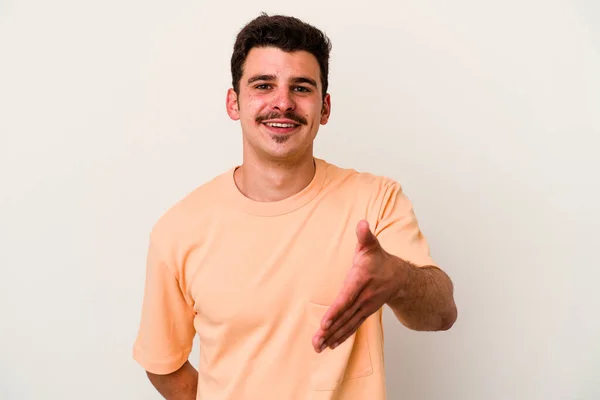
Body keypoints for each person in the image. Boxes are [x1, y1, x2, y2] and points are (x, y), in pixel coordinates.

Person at [132, 13, 457, 400]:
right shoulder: (178, 229)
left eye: (301, 88)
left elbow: (441, 314)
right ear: (234, 102)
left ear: (325, 108)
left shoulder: (376, 201)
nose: (282, 103)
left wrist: (398, 277)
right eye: (263, 85)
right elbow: (163, 364)